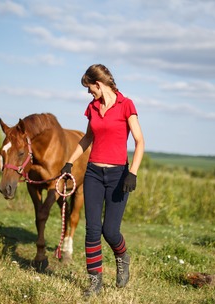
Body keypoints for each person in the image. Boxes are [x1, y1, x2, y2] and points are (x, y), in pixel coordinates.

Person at [60, 64, 145, 297]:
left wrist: (133, 172)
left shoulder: (126, 105)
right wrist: (69, 162)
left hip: (119, 176)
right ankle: (95, 282)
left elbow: (140, 142)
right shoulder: (93, 107)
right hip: (94, 174)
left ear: (98, 84)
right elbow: (87, 138)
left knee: (110, 231)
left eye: (90, 89)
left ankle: (122, 256)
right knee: (92, 229)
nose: (89, 93)